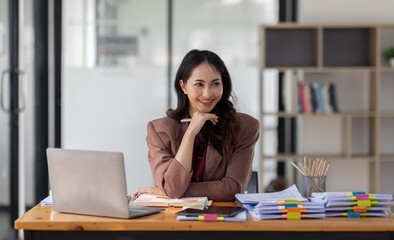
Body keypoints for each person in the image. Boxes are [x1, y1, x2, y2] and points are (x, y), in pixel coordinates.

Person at [134, 49, 260, 201]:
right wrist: (190, 134)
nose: (207, 94)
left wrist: (169, 192)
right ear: (184, 86)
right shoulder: (159, 131)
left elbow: (232, 188)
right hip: (173, 222)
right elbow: (173, 187)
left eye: (215, 84)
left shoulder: (245, 127)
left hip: (223, 220)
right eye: (199, 84)